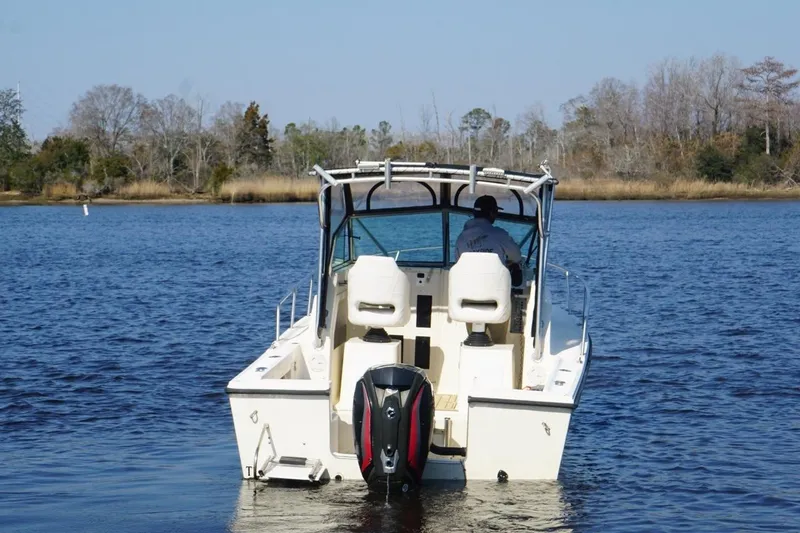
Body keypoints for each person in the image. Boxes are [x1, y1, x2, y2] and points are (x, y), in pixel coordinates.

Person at [455, 195, 522, 269]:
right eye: (496, 211)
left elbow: (458, 263)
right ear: (491, 213)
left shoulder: (460, 239)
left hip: (468, 280)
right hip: (496, 280)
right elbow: (516, 256)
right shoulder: (500, 234)